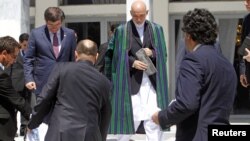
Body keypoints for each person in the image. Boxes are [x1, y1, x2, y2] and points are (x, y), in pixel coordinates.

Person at [152, 8, 237, 141]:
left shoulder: (193, 60)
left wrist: (161, 117)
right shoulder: (227, 65)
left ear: (189, 36)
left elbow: (187, 104)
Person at [105, 0, 168, 140]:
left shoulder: (157, 29)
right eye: (135, 16)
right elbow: (115, 55)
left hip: (152, 82)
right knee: (128, 119)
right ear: (130, 14)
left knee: (154, 120)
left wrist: (152, 52)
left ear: (147, 13)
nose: (138, 19)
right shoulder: (121, 31)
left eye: (141, 15)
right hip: (130, 83)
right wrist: (132, 62)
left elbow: (163, 54)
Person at [27, 39, 111, 141]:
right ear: (97, 56)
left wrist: (32, 124)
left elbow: (45, 98)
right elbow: (106, 115)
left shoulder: (61, 69)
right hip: (89, 134)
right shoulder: (104, 81)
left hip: (60, 132)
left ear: (76, 54)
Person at [23, 7, 77, 140]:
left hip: (64, 81)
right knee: (42, 113)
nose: (54, 28)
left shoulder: (69, 34)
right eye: (50, 25)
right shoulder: (36, 33)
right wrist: (29, 78)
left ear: (61, 21)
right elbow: (28, 59)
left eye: (57, 24)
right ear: (45, 21)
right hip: (43, 81)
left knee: (61, 113)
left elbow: (71, 59)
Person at [0, 36, 30, 141]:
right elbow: (17, 100)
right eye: (13, 56)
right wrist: (34, 116)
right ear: (4, 53)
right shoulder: (1, 76)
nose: (14, 61)